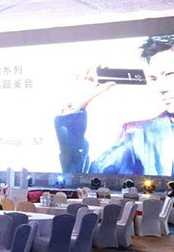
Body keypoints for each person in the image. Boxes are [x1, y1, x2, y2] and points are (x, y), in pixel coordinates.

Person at [55, 35, 174, 175]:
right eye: (153, 79)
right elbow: (83, 178)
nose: (161, 88)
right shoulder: (139, 136)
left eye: (169, 74)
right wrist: (76, 106)